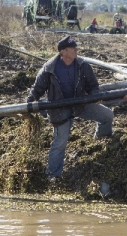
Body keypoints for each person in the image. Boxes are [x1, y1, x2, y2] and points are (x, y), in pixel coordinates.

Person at [27, 35, 113, 181]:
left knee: (107, 116)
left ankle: (101, 143)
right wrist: (28, 104)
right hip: (59, 109)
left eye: (75, 48)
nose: (76, 50)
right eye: (73, 48)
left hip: (80, 104)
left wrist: (95, 95)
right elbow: (37, 90)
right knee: (60, 143)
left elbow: (93, 86)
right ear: (63, 52)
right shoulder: (49, 69)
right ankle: (52, 174)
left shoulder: (82, 65)